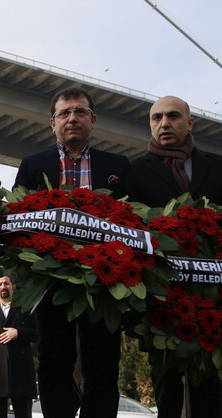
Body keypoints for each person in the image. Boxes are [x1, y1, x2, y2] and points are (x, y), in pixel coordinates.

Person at [13, 86, 130, 418]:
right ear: (53, 123)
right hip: (50, 281)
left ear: (93, 120)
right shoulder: (33, 165)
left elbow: (134, 223)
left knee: (103, 364)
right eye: (64, 113)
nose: (72, 118)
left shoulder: (118, 165)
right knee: (52, 362)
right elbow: (17, 220)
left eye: (80, 112)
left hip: (105, 282)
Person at [129, 96, 222, 418]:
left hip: (213, 300)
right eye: (156, 118)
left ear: (190, 123)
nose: (164, 123)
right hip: (161, 299)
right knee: (166, 386)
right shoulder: (135, 171)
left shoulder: (218, 165)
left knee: (210, 388)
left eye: (172, 116)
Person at [0, 275, 37, 418]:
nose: (3, 287)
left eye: (6, 283)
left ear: (12, 286)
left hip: (21, 370)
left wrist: (18, 333)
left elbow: (39, 333)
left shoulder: (25, 308)